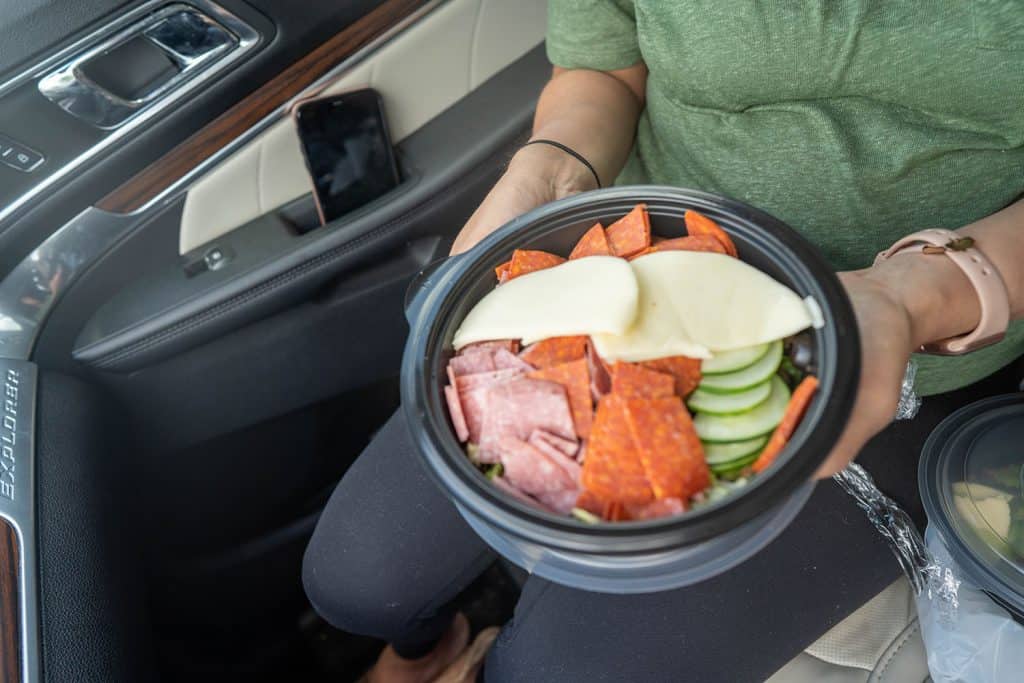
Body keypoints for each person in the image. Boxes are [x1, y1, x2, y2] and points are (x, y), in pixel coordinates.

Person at [303, 2, 1024, 681]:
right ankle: (431, 653)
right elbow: (605, 68)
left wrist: (912, 296)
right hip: (634, 285)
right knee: (353, 581)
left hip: (922, 357)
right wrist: (547, 169)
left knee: (550, 672)